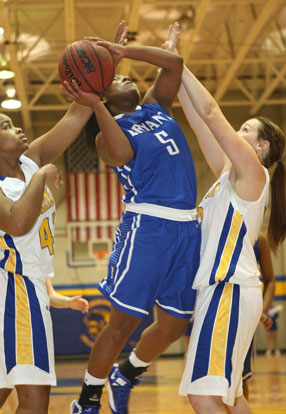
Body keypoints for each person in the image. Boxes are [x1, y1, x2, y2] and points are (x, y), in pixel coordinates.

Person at [63, 21, 201, 414]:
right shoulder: (105, 138)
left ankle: (126, 374)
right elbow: (122, 154)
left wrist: (119, 52)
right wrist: (94, 106)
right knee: (122, 324)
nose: (123, 75)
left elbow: (174, 64)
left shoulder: (156, 108)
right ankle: (86, 401)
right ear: (102, 95)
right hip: (148, 230)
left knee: (175, 325)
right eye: (114, 76)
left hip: (187, 230)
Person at [163, 23, 286, 414]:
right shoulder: (226, 177)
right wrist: (172, 71)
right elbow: (198, 121)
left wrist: (178, 62)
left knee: (203, 394)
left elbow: (212, 112)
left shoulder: (253, 172)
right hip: (224, 291)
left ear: (261, 146)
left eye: (246, 129)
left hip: (230, 288)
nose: (237, 130)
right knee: (229, 396)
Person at [0, 83, 95, 413]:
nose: (17, 127)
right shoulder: (23, 175)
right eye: (5, 126)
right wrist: (40, 176)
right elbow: (17, 223)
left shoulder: (29, 163)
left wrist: (99, 76)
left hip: (30, 287)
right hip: (15, 291)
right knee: (35, 400)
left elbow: (75, 116)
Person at [3, 279, 89, 412]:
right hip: (16, 323)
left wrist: (68, 302)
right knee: (28, 395)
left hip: (25, 324)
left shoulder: (38, 266)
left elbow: (50, 294)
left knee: (16, 386)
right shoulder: (11, 264)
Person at [242, 233, 275, 400]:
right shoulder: (213, 226)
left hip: (245, 313)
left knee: (239, 379)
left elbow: (270, 280)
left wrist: (262, 310)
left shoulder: (259, 239)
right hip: (214, 307)